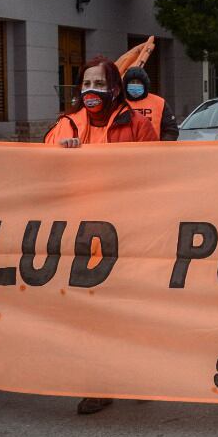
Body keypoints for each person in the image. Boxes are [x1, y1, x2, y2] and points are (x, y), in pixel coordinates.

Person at [44, 56, 158, 414]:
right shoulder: (66, 125)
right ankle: (98, 383)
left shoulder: (137, 124)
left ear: (115, 88)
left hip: (127, 229)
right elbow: (40, 168)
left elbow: (158, 174)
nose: (91, 91)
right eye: (86, 84)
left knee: (131, 307)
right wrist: (59, 153)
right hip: (80, 230)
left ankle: (140, 374)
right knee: (90, 309)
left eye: (99, 84)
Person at [123, 67, 178, 141]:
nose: (135, 85)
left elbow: (171, 130)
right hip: (126, 147)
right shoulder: (119, 103)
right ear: (126, 85)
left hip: (153, 147)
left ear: (145, 84)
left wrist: (162, 145)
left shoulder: (159, 102)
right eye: (132, 82)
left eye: (138, 82)